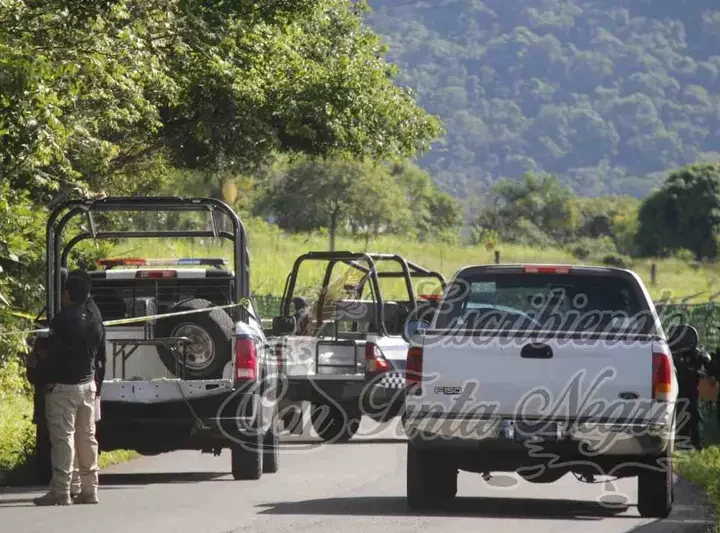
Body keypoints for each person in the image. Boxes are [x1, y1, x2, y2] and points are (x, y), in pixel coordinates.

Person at [32, 269, 106, 506]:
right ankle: (89, 489)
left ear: (66, 293)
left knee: (63, 439)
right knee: (87, 438)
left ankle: (61, 491)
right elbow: (101, 356)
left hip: (63, 388)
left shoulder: (62, 321)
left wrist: (38, 368)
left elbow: (52, 355)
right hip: (88, 386)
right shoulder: (95, 319)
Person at [674, 340, 711, 450]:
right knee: (680, 415)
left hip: (693, 391)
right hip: (678, 390)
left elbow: (707, 360)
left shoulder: (697, 354)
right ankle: (682, 443)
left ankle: (696, 444)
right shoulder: (675, 353)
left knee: (695, 416)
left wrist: (700, 354)